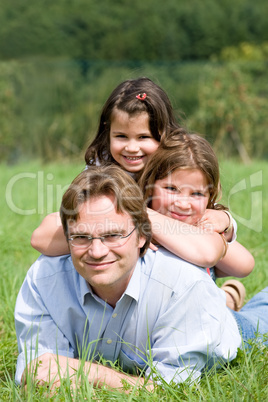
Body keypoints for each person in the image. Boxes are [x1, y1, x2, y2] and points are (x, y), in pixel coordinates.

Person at [15, 165, 268, 391]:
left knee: (260, 322)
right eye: (81, 237)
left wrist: (89, 373)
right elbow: (40, 372)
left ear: (143, 237)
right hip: (191, 311)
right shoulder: (44, 280)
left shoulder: (182, 285)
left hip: (217, 327)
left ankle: (230, 299)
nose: (97, 251)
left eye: (113, 235)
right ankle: (231, 295)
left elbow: (169, 388)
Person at [31, 77, 234, 269]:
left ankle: (227, 294)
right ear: (107, 133)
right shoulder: (101, 174)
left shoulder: (176, 169)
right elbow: (45, 235)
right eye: (121, 136)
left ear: (164, 134)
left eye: (143, 137)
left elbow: (214, 235)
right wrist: (136, 223)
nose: (131, 147)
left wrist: (226, 220)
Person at [138, 131, 255, 310]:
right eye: (171, 188)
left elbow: (245, 265)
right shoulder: (139, 229)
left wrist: (225, 221)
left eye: (197, 193)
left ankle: (228, 297)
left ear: (209, 197)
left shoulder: (201, 229)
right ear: (150, 185)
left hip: (211, 319)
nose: (183, 204)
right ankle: (229, 297)